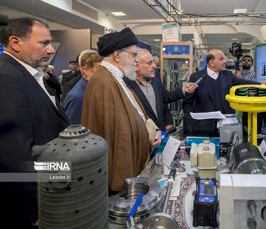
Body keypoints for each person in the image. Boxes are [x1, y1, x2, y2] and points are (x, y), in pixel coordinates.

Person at [0, 17, 69, 228]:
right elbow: (13, 152)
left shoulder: (28, 74)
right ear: (15, 42)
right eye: (43, 43)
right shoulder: (6, 77)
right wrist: (36, 207)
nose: (50, 50)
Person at [81, 28, 161, 192]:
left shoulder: (116, 78)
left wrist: (152, 131)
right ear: (117, 55)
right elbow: (111, 135)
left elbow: (134, 113)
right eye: (133, 55)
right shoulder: (103, 82)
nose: (135, 61)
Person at [183, 49, 266, 114]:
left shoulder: (228, 75)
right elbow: (187, 102)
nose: (225, 61)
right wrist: (191, 119)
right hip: (204, 124)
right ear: (211, 62)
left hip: (226, 121)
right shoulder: (196, 77)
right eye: (221, 59)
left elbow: (248, 83)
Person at [124, 48, 197, 131]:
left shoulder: (155, 80)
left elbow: (166, 97)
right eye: (149, 63)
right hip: (142, 135)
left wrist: (183, 90)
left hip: (160, 133)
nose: (155, 66)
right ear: (137, 66)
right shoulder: (127, 86)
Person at [63, 50, 103, 124]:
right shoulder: (77, 97)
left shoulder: (93, 88)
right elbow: (74, 131)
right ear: (85, 70)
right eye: (100, 69)